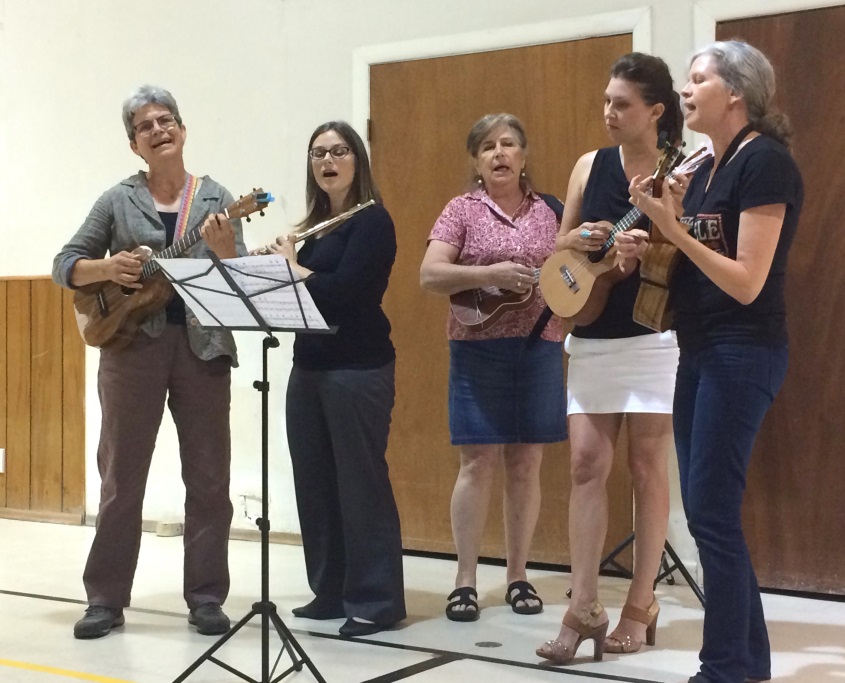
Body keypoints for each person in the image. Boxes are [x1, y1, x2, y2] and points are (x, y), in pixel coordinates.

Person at [626, 40, 802, 683]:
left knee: (712, 513)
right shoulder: (703, 168)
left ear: (736, 92)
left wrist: (674, 229)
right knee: (708, 513)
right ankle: (748, 662)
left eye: (698, 79)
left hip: (743, 351)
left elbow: (748, 282)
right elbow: (689, 260)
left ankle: (725, 666)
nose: (685, 90)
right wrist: (650, 237)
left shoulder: (766, 163)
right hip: (699, 348)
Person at [53, 85, 247, 639]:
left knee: (209, 478)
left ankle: (206, 597)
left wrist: (227, 249)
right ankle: (105, 599)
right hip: (130, 347)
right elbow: (64, 264)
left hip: (204, 348)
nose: (158, 130)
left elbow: (237, 276)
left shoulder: (216, 198)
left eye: (167, 121)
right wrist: (107, 268)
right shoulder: (117, 200)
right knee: (121, 478)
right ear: (134, 144)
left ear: (183, 130)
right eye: (145, 126)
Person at [536, 53, 683, 664]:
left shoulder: (680, 171)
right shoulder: (587, 165)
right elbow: (558, 245)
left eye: (622, 104)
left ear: (655, 111)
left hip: (652, 335)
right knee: (584, 465)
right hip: (593, 332)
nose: (609, 113)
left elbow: (687, 251)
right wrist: (580, 239)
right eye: (606, 101)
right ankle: (585, 606)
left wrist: (646, 251)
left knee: (647, 469)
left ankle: (640, 604)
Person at [420, 113, 567, 622]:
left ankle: (517, 576)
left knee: (526, 463)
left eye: (508, 144)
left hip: (539, 346)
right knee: (477, 462)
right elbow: (430, 274)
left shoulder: (552, 211)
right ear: (476, 161)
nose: (499, 153)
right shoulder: (461, 209)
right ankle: (465, 579)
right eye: (487, 146)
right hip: (477, 349)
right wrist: (491, 273)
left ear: (524, 155)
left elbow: (572, 269)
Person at [264, 121, 406, 638]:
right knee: (315, 483)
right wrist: (272, 270)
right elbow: (299, 298)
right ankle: (330, 591)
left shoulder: (372, 221)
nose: (327, 160)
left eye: (339, 151)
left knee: (360, 484)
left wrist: (292, 269)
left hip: (358, 368)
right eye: (318, 153)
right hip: (309, 366)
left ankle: (376, 601)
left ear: (357, 160)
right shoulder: (313, 228)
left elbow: (347, 293)